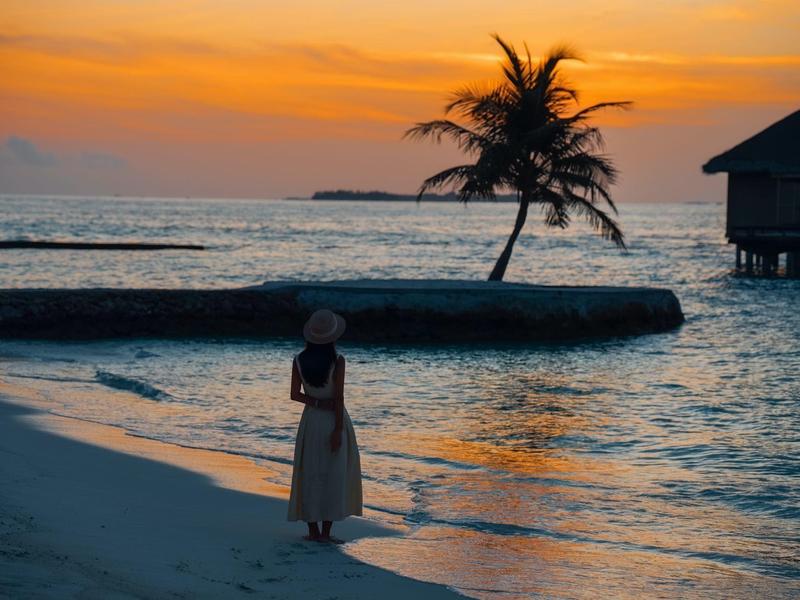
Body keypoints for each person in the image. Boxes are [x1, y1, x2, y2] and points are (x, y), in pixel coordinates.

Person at [287, 308, 363, 543]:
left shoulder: (299, 360)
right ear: (333, 336)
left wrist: (316, 402)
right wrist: (338, 430)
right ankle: (326, 533)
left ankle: (313, 531)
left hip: (311, 421)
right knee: (333, 474)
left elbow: (294, 394)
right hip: (333, 418)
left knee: (310, 472)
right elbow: (339, 398)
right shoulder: (337, 361)